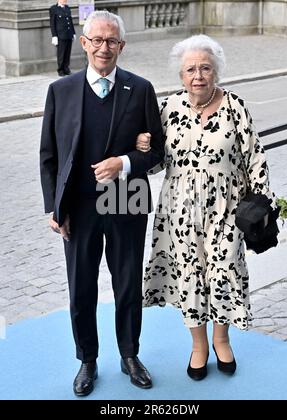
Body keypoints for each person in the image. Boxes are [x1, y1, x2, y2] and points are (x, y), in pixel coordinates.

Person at [136, 34, 276, 381]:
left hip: (228, 209)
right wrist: (142, 148)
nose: (198, 75)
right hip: (179, 210)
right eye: (190, 70)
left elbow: (255, 156)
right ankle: (198, 346)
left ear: (216, 72)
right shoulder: (167, 109)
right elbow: (155, 164)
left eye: (205, 68)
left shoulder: (235, 106)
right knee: (190, 276)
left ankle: (221, 339)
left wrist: (260, 202)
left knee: (224, 271)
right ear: (181, 75)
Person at [40, 10, 164, 396]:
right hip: (78, 206)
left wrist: (125, 162)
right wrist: (53, 207)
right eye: (96, 40)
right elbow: (48, 155)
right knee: (81, 287)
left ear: (122, 46)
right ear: (83, 43)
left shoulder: (140, 88)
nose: (103, 48)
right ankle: (87, 360)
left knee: (127, 283)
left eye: (111, 41)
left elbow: (158, 152)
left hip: (126, 196)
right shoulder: (61, 91)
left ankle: (130, 354)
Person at [49, 0, 76, 76]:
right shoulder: (54, 9)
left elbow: (70, 21)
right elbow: (52, 23)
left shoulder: (67, 8)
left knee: (67, 53)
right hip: (60, 35)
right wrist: (54, 36)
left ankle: (66, 68)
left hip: (68, 34)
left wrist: (73, 32)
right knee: (61, 54)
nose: (65, 0)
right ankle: (60, 70)